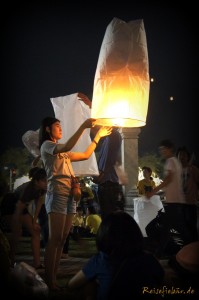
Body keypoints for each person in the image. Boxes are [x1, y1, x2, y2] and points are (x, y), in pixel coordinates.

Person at [39, 115, 112, 291]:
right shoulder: (47, 146)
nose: (60, 128)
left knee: (62, 238)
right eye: (57, 125)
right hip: (57, 192)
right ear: (48, 129)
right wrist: (83, 126)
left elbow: (86, 155)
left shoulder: (62, 152)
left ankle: (53, 279)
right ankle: (49, 281)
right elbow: (68, 145)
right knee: (54, 239)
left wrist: (97, 137)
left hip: (71, 194)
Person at [68, 211, 164, 300]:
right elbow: (166, 283)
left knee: (89, 282)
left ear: (104, 234)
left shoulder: (101, 260)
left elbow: (72, 284)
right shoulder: (149, 259)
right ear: (135, 233)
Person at [145, 139, 189, 253]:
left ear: (170, 149)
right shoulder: (175, 162)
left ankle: (160, 251)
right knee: (174, 227)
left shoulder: (170, 161)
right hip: (176, 200)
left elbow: (168, 179)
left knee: (168, 227)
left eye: (163, 149)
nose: (162, 152)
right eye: (161, 150)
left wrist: (153, 191)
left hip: (174, 201)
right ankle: (164, 250)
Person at [10, 167, 47, 269]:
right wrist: (16, 223)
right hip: (10, 206)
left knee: (35, 231)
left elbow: (38, 205)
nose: (46, 183)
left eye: (47, 180)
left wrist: (35, 221)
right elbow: (19, 207)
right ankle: (10, 261)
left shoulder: (41, 190)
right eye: (44, 181)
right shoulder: (28, 188)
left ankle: (37, 263)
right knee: (16, 234)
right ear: (36, 181)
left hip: (21, 207)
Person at [93, 127, 126, 220]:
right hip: (106, 184)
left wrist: (101, 175)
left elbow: (110, 160)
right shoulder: (107, 139)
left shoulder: (113, 135)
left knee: (110, 218)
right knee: (108, 217)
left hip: (108, 184)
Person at [176, 146, 199, 242]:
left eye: (184, 155)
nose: (182, 157)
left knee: (191, 227)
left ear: (188, 157)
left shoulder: (193, 169)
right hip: (179, 203)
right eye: (180, 155)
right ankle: (184, 249)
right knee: (182, 227)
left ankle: (193, 248)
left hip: (190, 203)